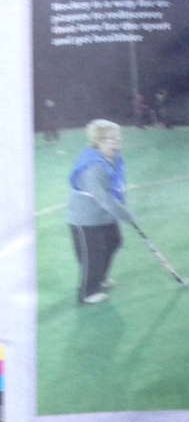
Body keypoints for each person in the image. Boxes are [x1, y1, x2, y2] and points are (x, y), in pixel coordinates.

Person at [66, 120, 136, 305]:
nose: (117, 142)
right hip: (85, 218)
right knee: (93, 255)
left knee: (114, 242)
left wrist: (122, 207)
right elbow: (103, 198)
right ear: (98, 141)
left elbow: (116, 186)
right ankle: (87, 293)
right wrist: (125, 215)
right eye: (111, 139)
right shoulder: (93, 167)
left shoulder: (113, 159)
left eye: (118, 138)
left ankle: (100, 278)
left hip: (104, 215)